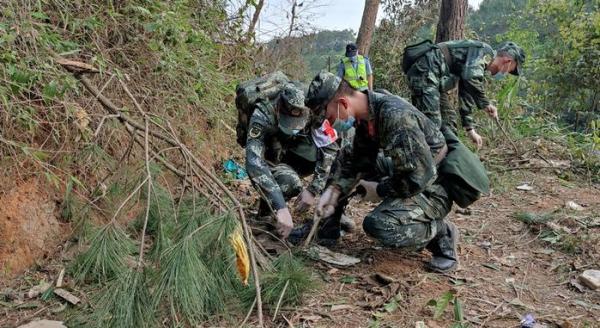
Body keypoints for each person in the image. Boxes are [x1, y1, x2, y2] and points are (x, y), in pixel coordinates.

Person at [304, 71, 466, 272]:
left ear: (344, 103)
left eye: (328, 116)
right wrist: (335, 190)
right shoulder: (367, 114)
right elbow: (358, 160)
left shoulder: (395, 116)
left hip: (435, 183)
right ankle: (327, 228)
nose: (329, 123)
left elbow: (418, 178)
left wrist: (379, 189)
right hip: (409, 169)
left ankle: (442, 234)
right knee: (345, 155)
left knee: (379, 225)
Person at [245, 82, 338, 238]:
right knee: (290, 182)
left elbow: (329, 148)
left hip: (290, 151)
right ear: (280, 106)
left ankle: (333, 218)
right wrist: (281, 206)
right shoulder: (262, 114)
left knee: (340, 157)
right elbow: (253, 162)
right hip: (268, 157)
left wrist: (313, 189)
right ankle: (267, 212)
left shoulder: (313, 110)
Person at [404, 40, 525, 149]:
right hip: (425, 74)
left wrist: (470, 129)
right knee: (432, 126)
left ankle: (449, 161)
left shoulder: (478, 66)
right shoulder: (483, 52)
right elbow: (470, 78)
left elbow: (466, 92)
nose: (507, 73)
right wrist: (486, 103)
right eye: (511, 70)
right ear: (508, 61)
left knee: (449, 120)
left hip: (433, 79)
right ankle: (417, 162)